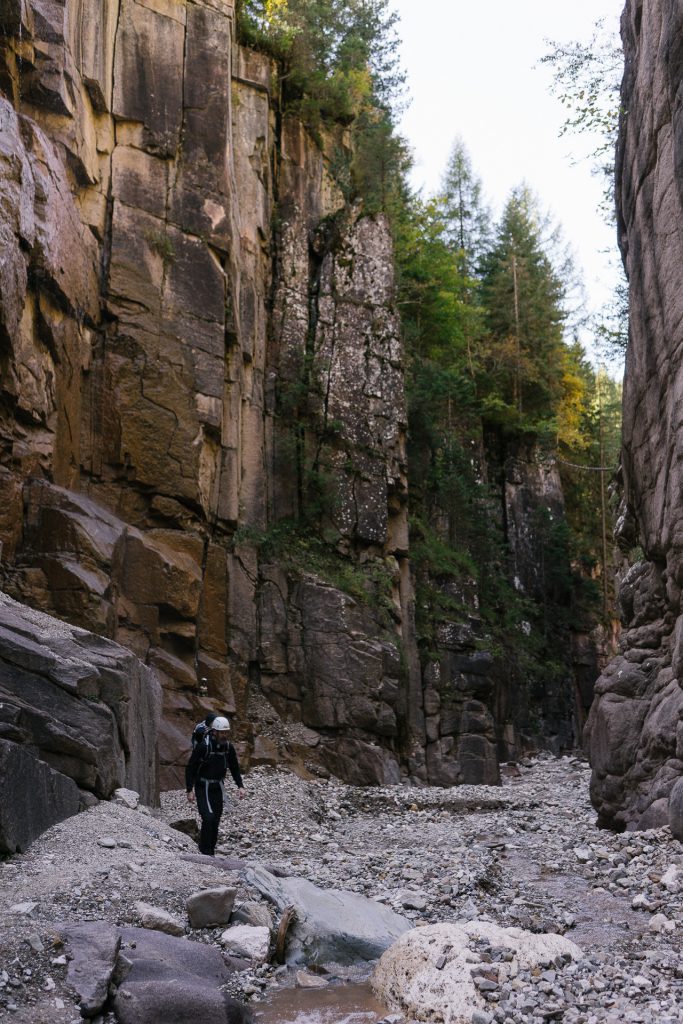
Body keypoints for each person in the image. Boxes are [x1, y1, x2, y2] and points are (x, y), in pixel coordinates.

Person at [185, 716, 245, 856]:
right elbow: (191, 768)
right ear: (214, 732)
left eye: (226, 732)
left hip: (218, 787)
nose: (224, 735)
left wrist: (240, 786)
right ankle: (204, 852)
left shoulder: (228, 748)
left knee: (216, 821)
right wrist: (189, 789)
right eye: (221, 732)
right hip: (202, 786)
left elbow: (234, 767)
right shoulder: (203, 746)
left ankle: (210, 851)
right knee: (208, 818)